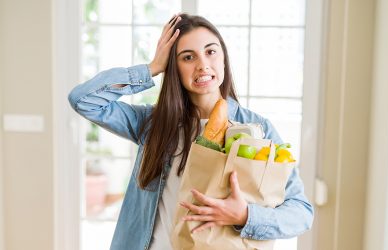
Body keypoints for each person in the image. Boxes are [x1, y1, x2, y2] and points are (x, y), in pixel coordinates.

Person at [68, 13, 313, 250]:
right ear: (173, 67)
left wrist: (245, 216)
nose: (203, 65)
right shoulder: (152, 123)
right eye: (187, 57)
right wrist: (152, 68)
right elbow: (83, 100)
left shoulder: (258, 130)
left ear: (223, 58)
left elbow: (301, 213)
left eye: (210, 51)